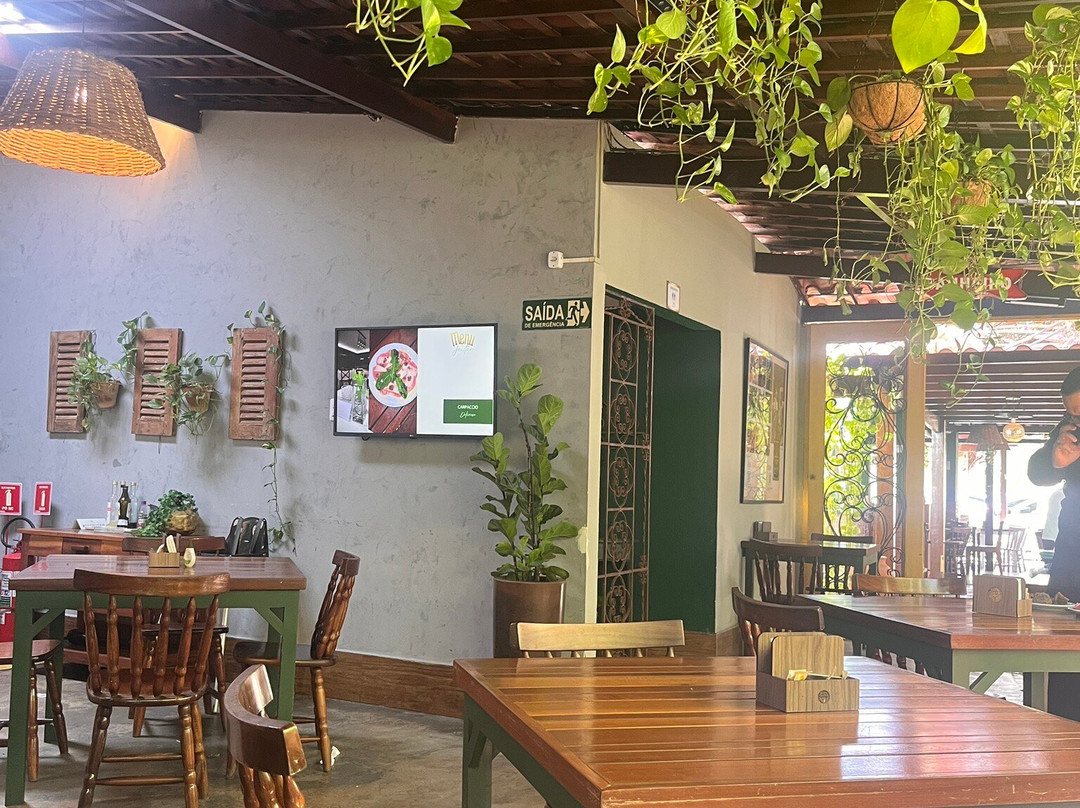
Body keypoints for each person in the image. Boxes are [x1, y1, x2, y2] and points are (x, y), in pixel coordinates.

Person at [1027, 365, 1080, 719]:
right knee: (1064, 643)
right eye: (1072, 412)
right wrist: (1056, 460)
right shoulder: (1070, 429)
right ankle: (1063, 732)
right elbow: (1037, 471)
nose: (1076, 419)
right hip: (1072, 549)